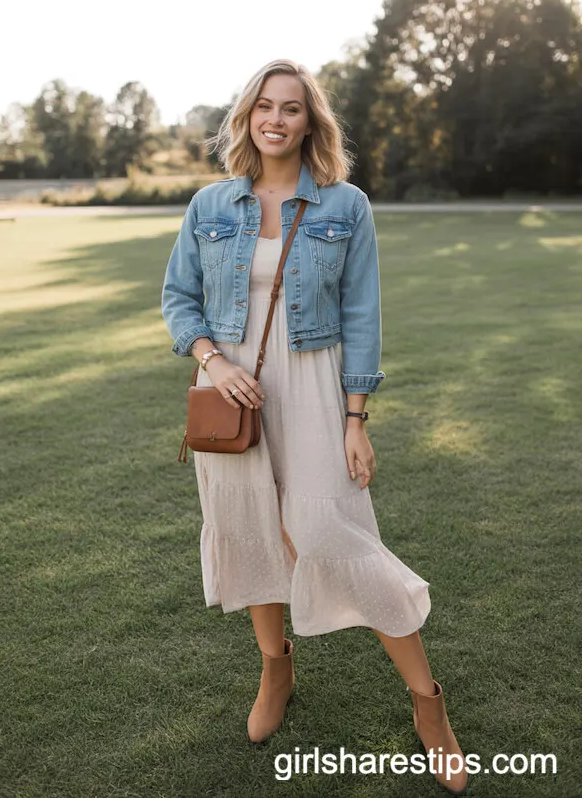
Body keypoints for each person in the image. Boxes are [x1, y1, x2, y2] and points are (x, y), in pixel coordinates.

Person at [161, 59, 467, 795]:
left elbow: (364, 318)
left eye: (291, 108)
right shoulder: (209, 205)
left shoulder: (344, 206)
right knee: (247, 529)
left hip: (315, 388)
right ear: (247, 118)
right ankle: (276, 669)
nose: (275, 118)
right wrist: (211, 359)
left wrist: (357, 419)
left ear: (310, 122)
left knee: (335, 535)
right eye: (263, 106)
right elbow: (179, 299)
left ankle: (430, 707)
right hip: (229, 389)